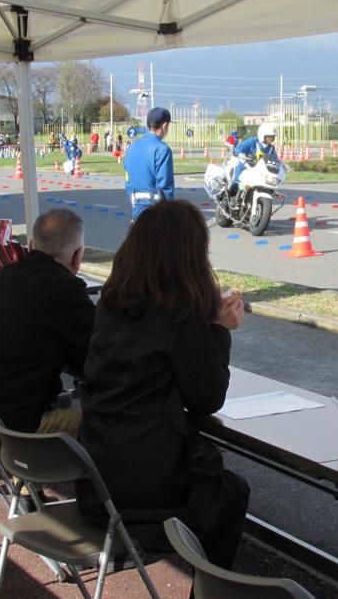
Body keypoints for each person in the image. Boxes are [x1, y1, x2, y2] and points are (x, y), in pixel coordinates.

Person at [78, 199, 248, 570]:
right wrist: (218, 329)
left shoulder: (113, 302)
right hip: (143, 487)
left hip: (96, 473)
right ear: (189, 257)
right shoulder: (176, 314)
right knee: (232, 492)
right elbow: (206, 398)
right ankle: (210, 592)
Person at [0, 209, 95, 454]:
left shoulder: (6, 276)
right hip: (7, 435)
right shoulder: (65, 290)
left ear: (31, 246)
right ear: (78, 256)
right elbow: (96, 358)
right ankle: (99, 493)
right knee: (113, 420)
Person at [123, 107, 175, 220]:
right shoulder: (162, 149)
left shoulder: (132, 147)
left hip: (136, 210)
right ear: (165, 125)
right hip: (155, 213)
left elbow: (128, 181)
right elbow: (165, 187)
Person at [229, 122, 278, 196]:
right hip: (245, 165)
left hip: (259, 170)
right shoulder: (252, 141)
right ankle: (228, 194)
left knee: (268, 185)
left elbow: (275, 159)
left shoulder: (271, 148)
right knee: (236, 179)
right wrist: (240, 154)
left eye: (272, 137)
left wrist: (281, 166)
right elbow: (238, 148)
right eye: (268, 136)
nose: (270, 139)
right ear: (262, 135)